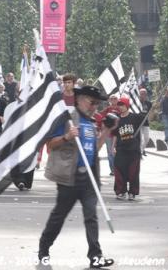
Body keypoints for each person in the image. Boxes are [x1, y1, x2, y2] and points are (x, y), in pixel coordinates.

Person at [37, 85, 113, 269]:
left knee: (91, 216)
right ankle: (43, 249)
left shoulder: (92, 121)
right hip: (69, 179)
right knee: (59, 216)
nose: (94, 106)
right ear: (79, 99)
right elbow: (51, 144)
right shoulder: (67, 119)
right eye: (91, 102)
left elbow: (95, 148)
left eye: (97, 103)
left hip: (89, 179)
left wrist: (107, 131)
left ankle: (96, 256)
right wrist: (67, 136)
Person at [111, 96, 144, 201]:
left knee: (133, 172)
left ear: (127, 106)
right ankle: (121, 191)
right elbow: (115, 134)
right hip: (121, 149)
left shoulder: (135, 117)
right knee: (119, 171)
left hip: (133, 149)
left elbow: (148, 119)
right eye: (119, 105)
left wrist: (154, 109)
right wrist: (113, 146)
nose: (120, 107)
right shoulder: (117, 119)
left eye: (122, 105)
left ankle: (132, 192)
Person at [139, 88, 153, 156]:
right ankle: (140, 152)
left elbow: (151, 112)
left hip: (146, 123)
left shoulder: (149, 103)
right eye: (141, 94)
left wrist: (150, 119)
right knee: (140, 139)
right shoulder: (136, 102)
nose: (143, 95)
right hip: (138, 123)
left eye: (144, 94)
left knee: (147, 139)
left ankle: (142, 149)